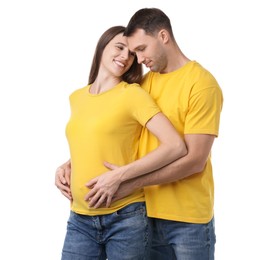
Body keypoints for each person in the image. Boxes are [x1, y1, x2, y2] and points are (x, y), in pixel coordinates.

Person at [56, 8, 223, 260]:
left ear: (163, 36)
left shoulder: (201, 84)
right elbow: (117, 134)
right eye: (134, 52)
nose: (137, 58)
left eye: (141, 49)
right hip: (146, 212)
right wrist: (72, 164)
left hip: (187, 220)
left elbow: (194, 160)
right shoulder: (143, 85)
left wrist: (125, 182)